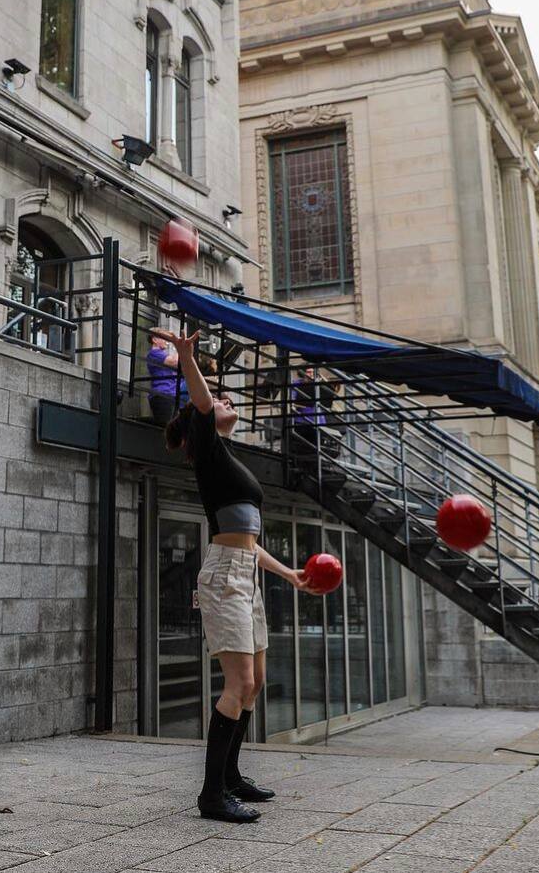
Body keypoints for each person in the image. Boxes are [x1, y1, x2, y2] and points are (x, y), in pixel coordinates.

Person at [153, 325, 310, 824]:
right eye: (220, 399)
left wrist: (289, 574)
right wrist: (185, 358)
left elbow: (250, 542)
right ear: (205, 417)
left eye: (223, 398)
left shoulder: (229, 459)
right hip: (224, 577)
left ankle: (232, 777)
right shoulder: (210, 447)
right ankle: (210, 795)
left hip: (246, 572)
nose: (224, 400)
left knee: (256, 682)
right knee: (238, 683)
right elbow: (199, 400)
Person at [145, 331, 188, 422]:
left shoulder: (163, 355)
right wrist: (180, 347)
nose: (166, 342)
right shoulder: (154, 353)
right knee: (166, 426)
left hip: (171, 395)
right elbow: (175, 362)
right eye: (163, 338)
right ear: (155, 339)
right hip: (163, 395)